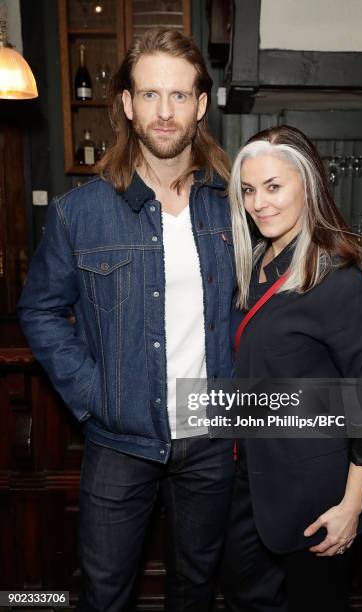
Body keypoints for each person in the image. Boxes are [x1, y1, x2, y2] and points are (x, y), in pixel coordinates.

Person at [17, 28, 236, 612]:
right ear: (127, 105)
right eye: (150, 95)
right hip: (119, 440)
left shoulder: (236, 207)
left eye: (180, 96)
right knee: (105, 594)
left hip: (210, 437)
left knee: (195, 590)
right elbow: (39, 311)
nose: (165, 113)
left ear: (201, 105)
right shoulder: (78, 214)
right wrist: (95, 393)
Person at [220, 125, 362, 612]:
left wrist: (351, 507)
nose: (259, 203)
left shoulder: (337, 278)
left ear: (308, 186)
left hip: (317, 496)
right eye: (250, 190)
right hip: (250, 482)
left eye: (274, 187)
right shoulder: (254, 263)